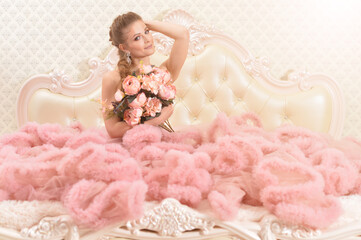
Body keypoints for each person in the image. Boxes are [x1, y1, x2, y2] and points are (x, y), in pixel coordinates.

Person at [103, 12, 189, 138]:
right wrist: (152, 122)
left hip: (160, 141)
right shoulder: (112, 78)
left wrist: (145, 23)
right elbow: (112, 130)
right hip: (131, 147)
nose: (148, 39)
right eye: (137, 38)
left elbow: (183, 34)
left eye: (147, 32)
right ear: (124, 48)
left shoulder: (161, 74)